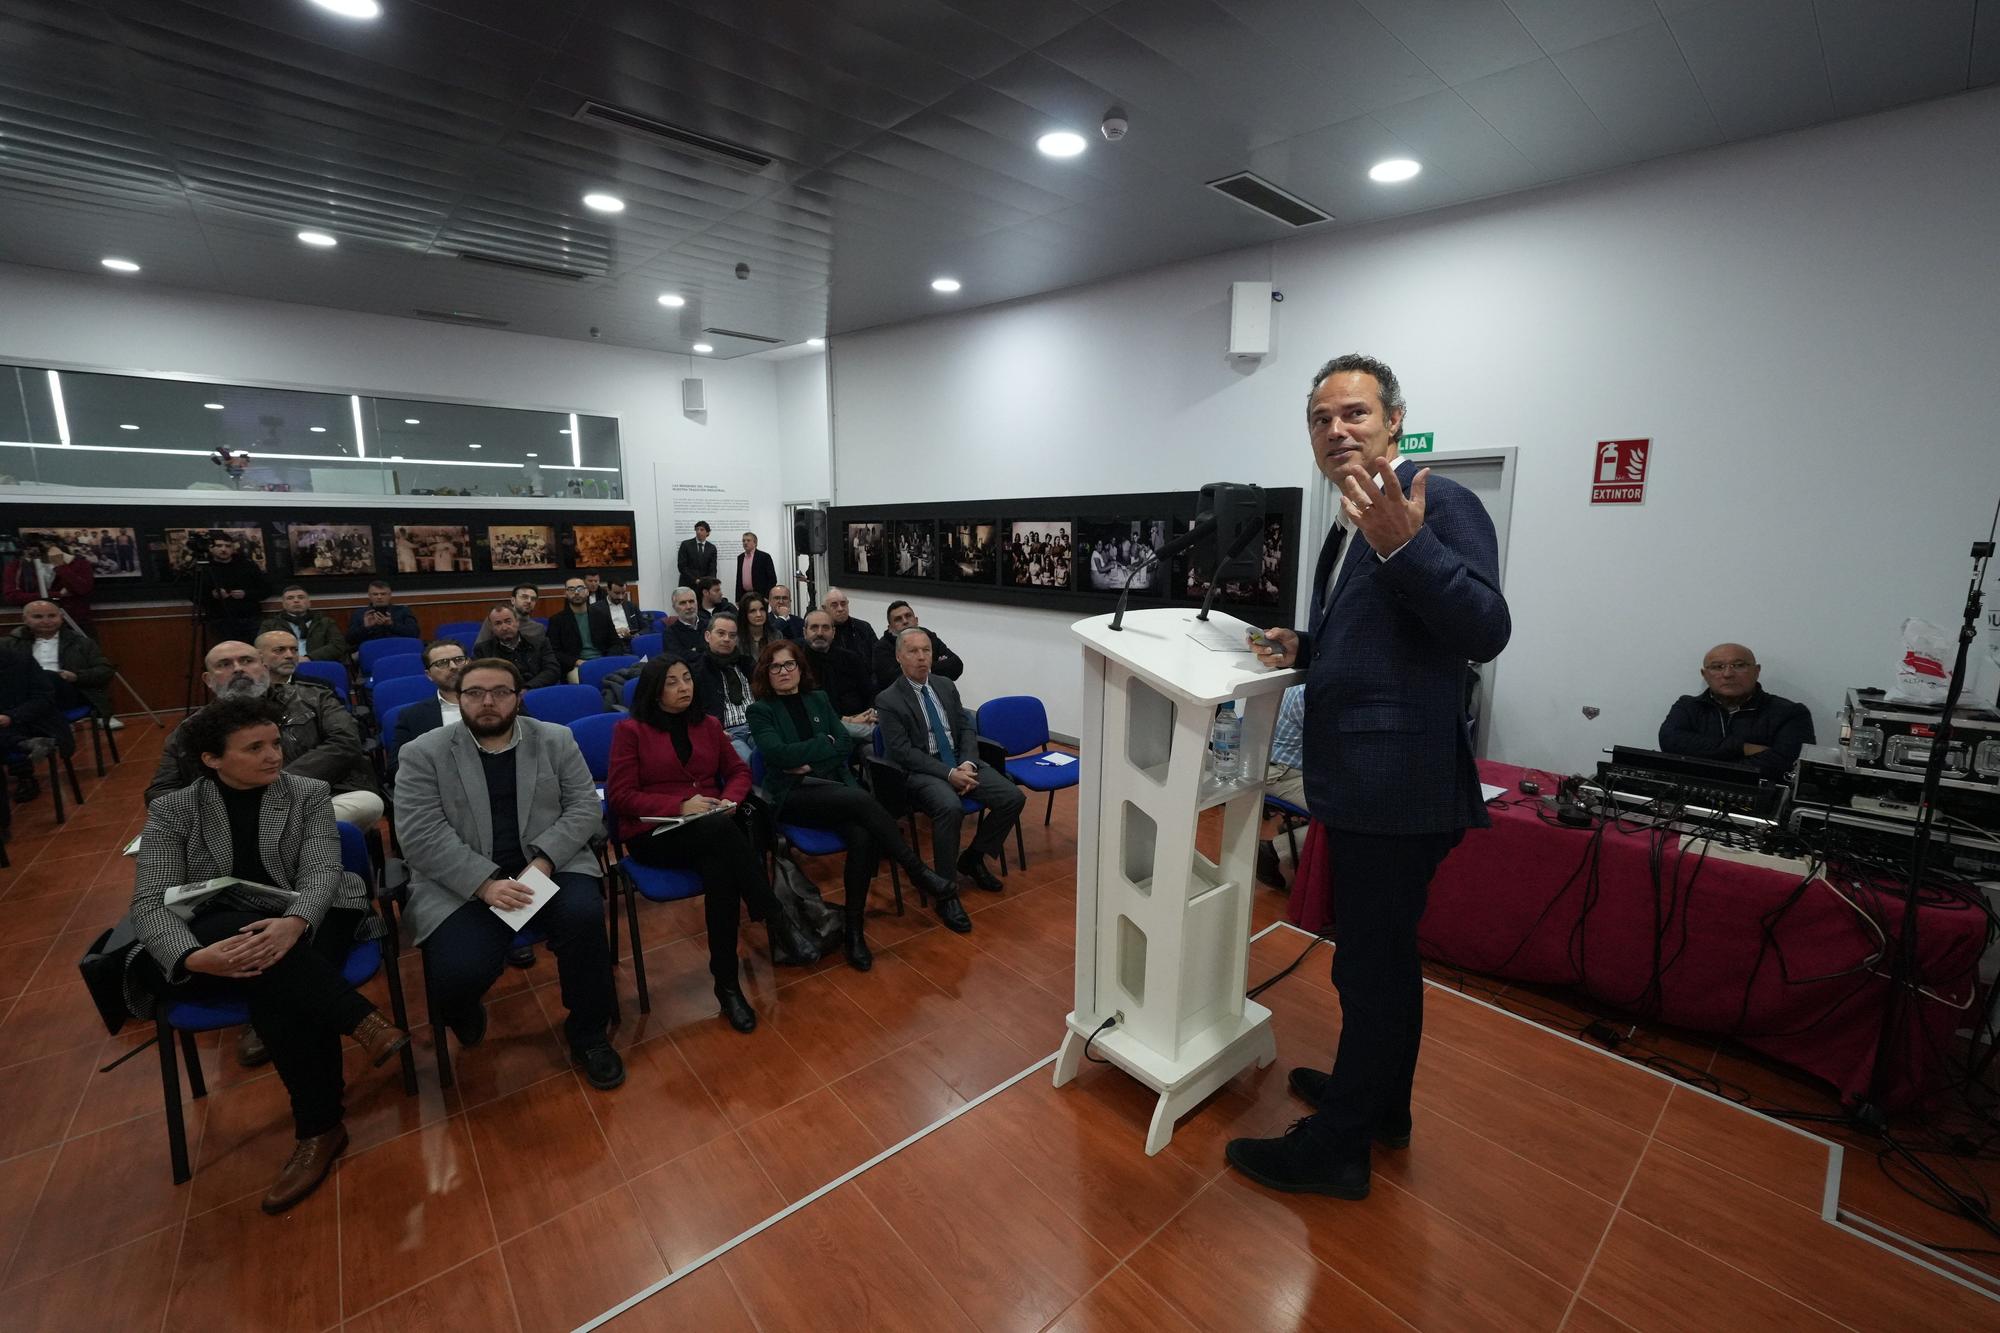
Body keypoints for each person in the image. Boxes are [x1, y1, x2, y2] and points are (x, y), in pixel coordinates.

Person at [1235, 352, 1510, 1201]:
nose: (1336, 430)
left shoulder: (1435, 501)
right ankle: (1383, 1107)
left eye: (1353, 413)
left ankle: (1339, 1149)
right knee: (1383, 964)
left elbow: (1486, 628)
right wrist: (1305, 650)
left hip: (1398, 785)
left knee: (1369, 969)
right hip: (1361, 780)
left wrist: (1408, 544)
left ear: (1394, 419)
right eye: (1320, 419)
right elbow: (1385, 645)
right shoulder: (1346, 521)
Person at [121, 695, 409, 1214]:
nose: (273, 755)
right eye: (254, 748)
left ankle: (319, 1130)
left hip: (316, 912)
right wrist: (191, 959)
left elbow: (323, 871)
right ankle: (360, 1025)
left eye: (275, 743)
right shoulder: (172, 810)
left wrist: (295, 922)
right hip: (223, 932)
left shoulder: (307, 792)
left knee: (275, 980)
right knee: (258, 953)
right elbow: (149, 901)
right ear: (212, 759)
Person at [393, 658, 625, 1089]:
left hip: (546, 866)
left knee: (584, 918)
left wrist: (545, 860)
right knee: (457, 974)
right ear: (457, 699)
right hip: (462, 880)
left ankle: (588, 1031)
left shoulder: (555, 739)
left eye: (500, 692)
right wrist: (485, 884)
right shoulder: (423, 752)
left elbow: (584, 807)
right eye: (475, 693)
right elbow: (419, 834)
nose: (487, 702)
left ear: (518, 697)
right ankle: (464, 1009)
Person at [609, 656, 818, 1031]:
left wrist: (731, 800)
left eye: (687, 678)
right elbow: (621, 796)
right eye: (672, 682)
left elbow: (737, 771)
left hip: (709, 826)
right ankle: (776, 918)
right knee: (724, 836)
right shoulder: (631, 730)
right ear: (655, 692)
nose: (684, 687)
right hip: (655, 833)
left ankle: (727, 985)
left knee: (721, 869)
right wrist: (679, 805)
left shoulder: (707, 725)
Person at [747, 641, 966, 970]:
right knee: (861, 799)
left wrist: (814, 752)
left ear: (800, 668)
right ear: (766, 673)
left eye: (789, 665)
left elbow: (846, 744)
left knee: (863, 835)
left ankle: (853, 930)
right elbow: (777, 755)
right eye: (775, 667)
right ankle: (916, 869)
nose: (783, 672)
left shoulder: (817, 698)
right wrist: (824, 744)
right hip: (793, 795)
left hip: (834, 789)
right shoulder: (761, 710)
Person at [150, 640, 383, 825]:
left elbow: (345, 743)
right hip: (231, 812)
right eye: (224, 665)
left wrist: (276, 788)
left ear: (263, 667)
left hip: (321, 797)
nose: (238, 669)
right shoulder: (192, 728)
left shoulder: (314, 697)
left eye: (246, 660)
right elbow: (161, 791)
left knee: (366, 803)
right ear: (208, 679)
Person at [875, 627, 1024, 892]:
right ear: (899, 657)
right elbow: (902, 752)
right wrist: (948, 774)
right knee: (950, 807)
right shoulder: (888, 699)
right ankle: (946, 889)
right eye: (913, 651)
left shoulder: (945, 685)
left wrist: (967, 764)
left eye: (926, 650)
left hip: (959, 761)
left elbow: (966, 728)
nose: (921, 657)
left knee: (1012, 797)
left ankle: (973, 858)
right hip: (922, 770)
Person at [1659, 643, 1814, 778]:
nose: (1727, 674)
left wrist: (1701, 761)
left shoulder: (1790, 713)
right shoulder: (1688, 706)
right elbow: (1670, 742)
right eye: (1717, 667)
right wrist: (1741, 747)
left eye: (1739, 665)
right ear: (1705, 675)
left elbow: (1785, 764)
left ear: (1756, 671)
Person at [7, 597, 117, 724]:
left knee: (50, 676)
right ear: (25, 620)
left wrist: (75, 676)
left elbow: (105, 671)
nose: (46, 621)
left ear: (61, 617)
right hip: (25, 693)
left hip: (69, 692)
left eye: (52, 616)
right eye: (38, 617)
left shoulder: (82, 643)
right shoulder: (8, 644)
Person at [0, 644, 67, 801]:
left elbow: (44, 698)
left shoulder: (19, 659)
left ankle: (25, 776)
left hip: (28, 718)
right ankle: (24, 744)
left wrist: (11, 716)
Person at [1256, 684, 1307, 888]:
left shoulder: (1302, 679)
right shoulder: (1306, 693)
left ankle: (1297, 831)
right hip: (1283, 775)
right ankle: (1276, 850)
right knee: (1346, 815)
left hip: (1287, 769)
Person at [690, 611, 756, 759]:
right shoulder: (697, 671)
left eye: (732, 635)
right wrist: (712, 730)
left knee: (772, 757)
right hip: (726, 732)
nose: (727, 639)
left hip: (757, 727)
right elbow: (692, 710)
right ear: (708, 636)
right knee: (747, 763)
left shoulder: (747, 664)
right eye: (721, 633)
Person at [799, 609, 877, 728]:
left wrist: (871, 711)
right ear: (805, 632)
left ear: (833, 632)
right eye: (814, 627)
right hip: (821, 726)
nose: (820, 633)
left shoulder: (851, 658)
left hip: (862, 720)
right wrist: (845, 720)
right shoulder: (797, 664)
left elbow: (869, 692)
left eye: (825, 628)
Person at [4, 536, 96, 635]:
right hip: (37, 623)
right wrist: (56, 594)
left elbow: (83, 589)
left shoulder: (78, 564)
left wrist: (60, 566)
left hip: (75, 621)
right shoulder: (18, 566)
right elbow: (12, 597)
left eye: (49, 543)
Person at [391, 639, 468, 755]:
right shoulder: (412, 717)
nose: (453, 667)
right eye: (442, 663)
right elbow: (400, 765)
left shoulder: (499, 704)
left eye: (459, 660)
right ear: (429, 675)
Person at [869, 600, 965, 692]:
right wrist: (935, 667)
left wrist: (921, 669)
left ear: (916, 620)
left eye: (908, 616)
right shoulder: (882, 647)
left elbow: (956, 666)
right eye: (898, 619)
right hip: (903, 702)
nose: (905, 621)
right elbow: (895, 682)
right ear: (890, 628)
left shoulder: (928, 635)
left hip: (938, 694)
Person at [202, 534, 269, 646]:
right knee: (229, 654)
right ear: (211, 548)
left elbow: (266, 590)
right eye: (219, 546)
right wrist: (212, 595)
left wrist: (246, 594)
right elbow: (193, 595)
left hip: (250, 617)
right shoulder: (204, 568)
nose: (223, 549)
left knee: (256, 651)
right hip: (220, 619)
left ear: (233, 548)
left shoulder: (247, 565)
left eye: (228, 546)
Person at [473, 604, 561, 689]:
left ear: (517, 622)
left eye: (508, 621)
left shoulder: (540, 643)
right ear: (492, 628)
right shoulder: (482, 650)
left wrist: (528, 687)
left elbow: (552, 671)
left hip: (536, 691)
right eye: (498, 623)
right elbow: (481, 678)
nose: (504, 627)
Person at [547, 575, 618, 679]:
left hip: (603, 660)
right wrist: (576, 662)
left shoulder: (602, 616)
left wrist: (607, 660)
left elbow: (616, 643)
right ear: (565, 594)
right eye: (571, 589)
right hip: (576, 666)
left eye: (580, 588)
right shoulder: (557, 620)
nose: (576, 592)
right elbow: (554, 651)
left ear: (587, 591)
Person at [261, 585, 349, 664]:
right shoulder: (270, 625)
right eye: (290, 598)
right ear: (283, 604)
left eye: (301, 597)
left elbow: (338, 645)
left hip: (318, 663)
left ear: (309, 603)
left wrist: (309, 658)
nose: (296, 600)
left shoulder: (325, 622)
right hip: (284, 665)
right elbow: (263, 648)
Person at [346, 581, 419, 649]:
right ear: (369, 596)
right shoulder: (359, 613)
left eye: (383, 594)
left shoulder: (403, 611)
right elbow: (350, 640)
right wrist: (365, 628)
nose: (379, 597)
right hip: (371, 649)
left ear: (390, 595)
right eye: (375, 594)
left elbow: (414, 634)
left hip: (399, 647)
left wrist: (392, 625)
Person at [822, 587, 874, 661]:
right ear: (824, 608)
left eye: (843, 604)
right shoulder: (821, 632)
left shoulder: (863, 627)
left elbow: (877, 657)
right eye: (834, 605)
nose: (840, 609)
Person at [662, 586, 708, 661]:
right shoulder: (670, 633)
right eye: (682, 603)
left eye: (691, 601)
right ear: (674, 607)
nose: (689, 607)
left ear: (697, 603)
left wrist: (694, 651)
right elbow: (678, 658)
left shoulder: (710, 625)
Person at [738, 593, 785, 661]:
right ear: (744, 614)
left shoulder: (776, 635)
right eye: (752, 611)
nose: (759, 614)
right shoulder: (737, 639)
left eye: (762, 609)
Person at [603, 580, 649, 649]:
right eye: (617, 593)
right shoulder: (598, 608)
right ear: (608, 590)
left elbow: (646, 628)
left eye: (623, 593)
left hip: (631, 641)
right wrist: (614, 632)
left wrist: (635, 636)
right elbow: (597, 635)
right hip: (611, 645)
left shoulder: (631, 606)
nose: (621, 597)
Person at [735, 531, 778, 602]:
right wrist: (738, 599)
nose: (745, 543)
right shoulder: (740, 557)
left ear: (755, 543)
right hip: (745, 596)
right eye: (743, 541)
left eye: (748, 540)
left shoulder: (764, 557)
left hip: (761, 596)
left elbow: (772, 578)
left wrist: (767, 597)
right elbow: (739, 579)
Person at [676, 521, 718, 590]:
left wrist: (709, 582)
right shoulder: (686, 545)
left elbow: (712, 568)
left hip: (704, 586)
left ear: (707, 533)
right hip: (687, 584)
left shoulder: (712, 548)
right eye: (697, 529)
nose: (698, 532)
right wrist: (695, 580)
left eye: (701, 530)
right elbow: (682, 566)